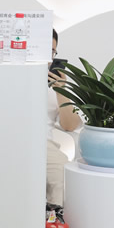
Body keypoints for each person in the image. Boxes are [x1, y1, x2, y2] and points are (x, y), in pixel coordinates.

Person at [46, 29, 81, 205]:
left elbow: (70, 126)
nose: (49, 58)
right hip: (10, 139)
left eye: (52, 52)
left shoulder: (56, 85)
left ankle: (55, 221)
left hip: (43, 145)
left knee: (63, 177)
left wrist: (61, 92)